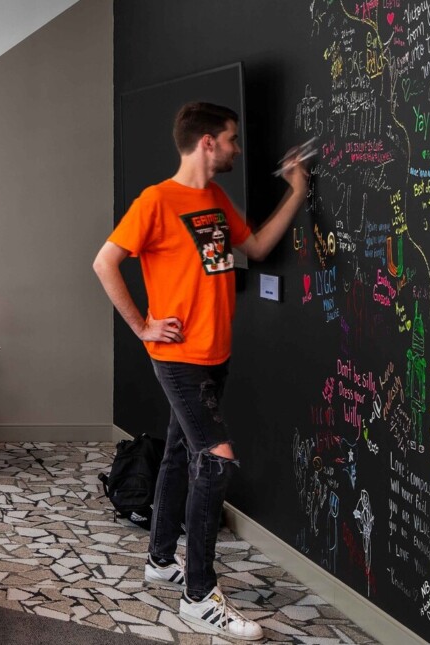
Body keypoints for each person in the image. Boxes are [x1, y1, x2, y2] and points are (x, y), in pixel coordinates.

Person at [93, 102, 308, 641]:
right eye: (232, 139)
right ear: (207, 143)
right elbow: (104, 262)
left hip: (216, 355)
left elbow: (254, 246)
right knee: (216, 461)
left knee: (177, 454)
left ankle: (161, 559)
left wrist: (298, 192)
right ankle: (198, 594)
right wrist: (142, 326)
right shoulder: (157, 201)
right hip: (178, 359)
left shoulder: (214, 198)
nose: (237, 147)